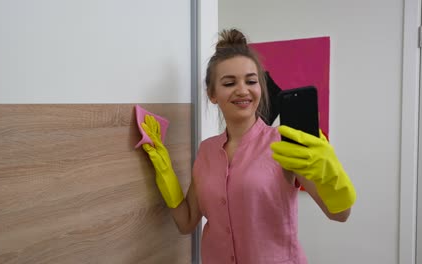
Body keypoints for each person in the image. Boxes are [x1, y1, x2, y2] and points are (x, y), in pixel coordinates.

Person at [140, 28, 356, 264]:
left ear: (260, 87)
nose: (242, 90)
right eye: (229, 83)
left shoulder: (285, 143)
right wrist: (164, 170)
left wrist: (330, 173)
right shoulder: (206, 151)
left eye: (251, 81)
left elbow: (339, 214)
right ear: (212, 94)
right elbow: (186, 221)